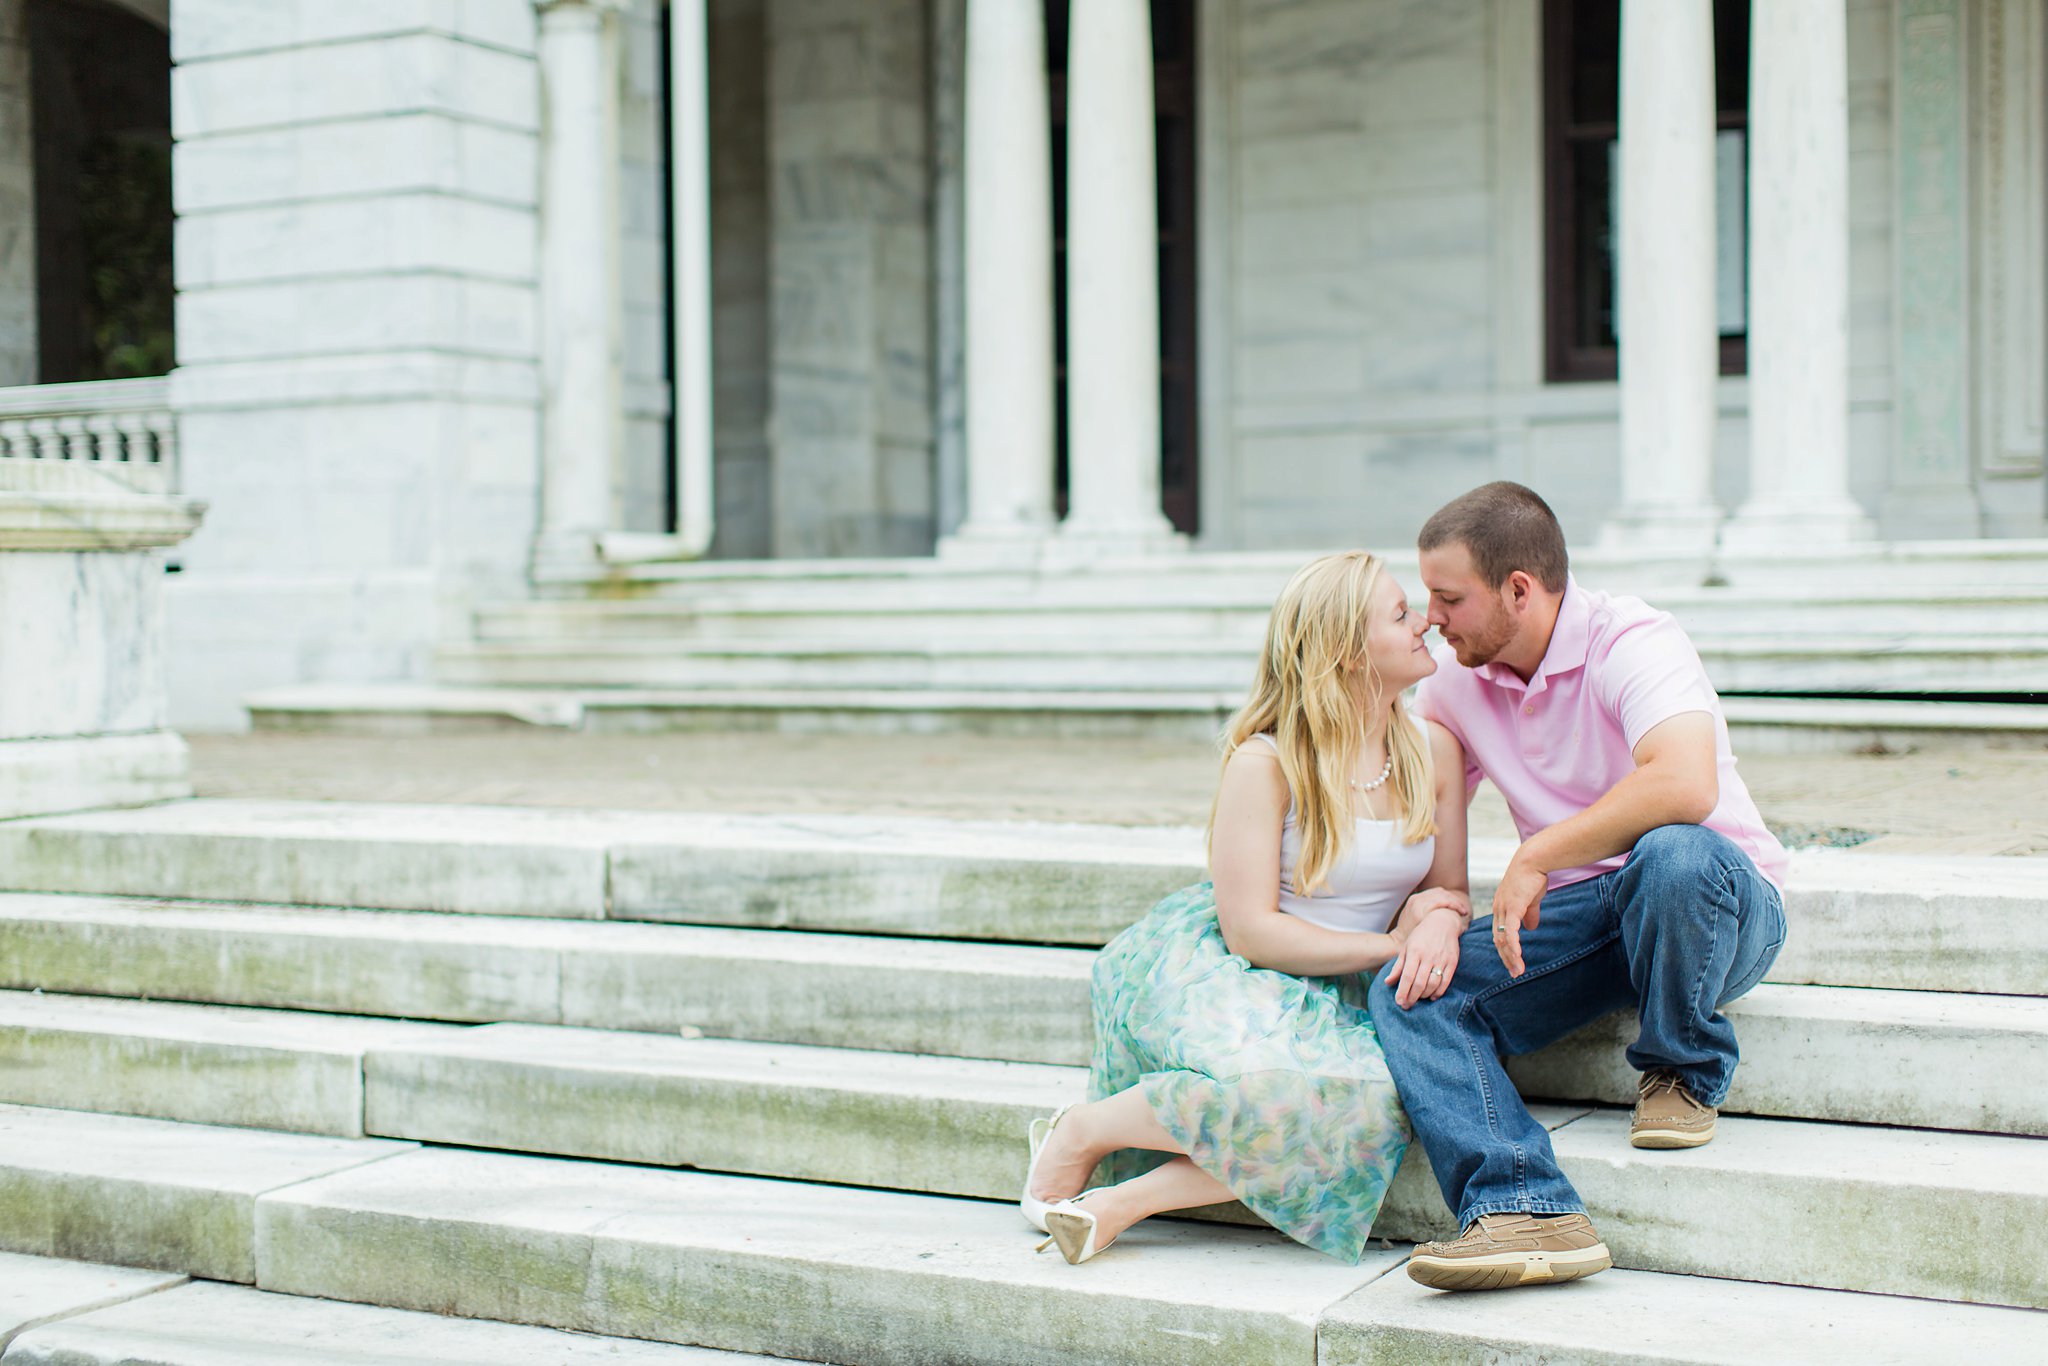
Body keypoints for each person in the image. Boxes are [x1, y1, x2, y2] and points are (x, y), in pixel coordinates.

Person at [1371, 481, 1789, 1292]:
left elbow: (1685, 784)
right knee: (1414, 991)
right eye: (1424, 599)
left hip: (1716, 905)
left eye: (1449, 597)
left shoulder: (1634, 638)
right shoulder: (1456, 682)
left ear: (1518, 591)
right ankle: (1524, 1210)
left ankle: (1683, 1068)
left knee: (1671, 853)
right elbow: (1433, 840)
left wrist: (1537, 855)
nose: (1431, 618)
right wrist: (1433, 912)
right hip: (1591, 923)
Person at [1021, 550, 1474, 1265]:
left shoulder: (1432, 751)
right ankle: (1084, 1129)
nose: (1425, 623)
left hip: (1354, 989)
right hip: (1252, 970)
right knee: (1271, 1095)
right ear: (1347, 653)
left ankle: (1116, 1205)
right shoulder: (1266, 762)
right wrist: (1394, 948)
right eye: (1399, 613)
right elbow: (1252, 930)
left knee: (1363, 1110)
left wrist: (1441, 920)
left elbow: (1444, 891)